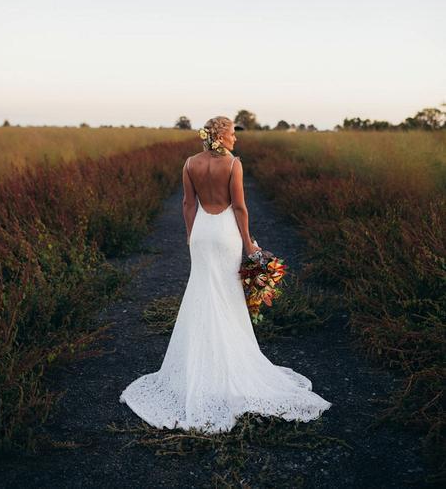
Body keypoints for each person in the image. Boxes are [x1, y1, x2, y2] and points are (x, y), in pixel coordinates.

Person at [119, 116, 332, 433]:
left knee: (202, 293)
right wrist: (249, 244)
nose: (236, 139)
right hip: (226, 234)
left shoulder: (190, 163)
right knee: (228, 297)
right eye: (233, 133)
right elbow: (240, 207)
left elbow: (188, 204)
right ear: (221, 136)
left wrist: (192, 236)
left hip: (203, 234)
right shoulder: (232, 164)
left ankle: (199, 369)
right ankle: (228, 369)